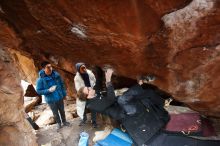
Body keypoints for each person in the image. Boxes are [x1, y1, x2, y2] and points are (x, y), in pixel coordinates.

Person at [36, 61, 70, 130]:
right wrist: (48, 90)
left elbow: (62, 84)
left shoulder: (57, 75)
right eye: (48, 67)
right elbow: (38, 91)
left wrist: (64, 94)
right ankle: (59, 124)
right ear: (43, 69)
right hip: (51, 100)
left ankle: (64, 121)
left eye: (51, 66)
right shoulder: (40, 80)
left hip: (59, 97)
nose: (50, 68)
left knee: (62, 111)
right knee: (55, 113)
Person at [74, 62, 97, 128]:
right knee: (82, 107)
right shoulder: (77, 78)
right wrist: (85, 91)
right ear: (78, 69)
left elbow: (94, 80)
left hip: (91, 92)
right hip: (83, 94)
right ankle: (84, 119)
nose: (84, 69)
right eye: (82, 68)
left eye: (84, 67)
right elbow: (78, 88)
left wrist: (92, 90)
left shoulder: (90, 73)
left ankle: (94, 121)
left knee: (93, 107)